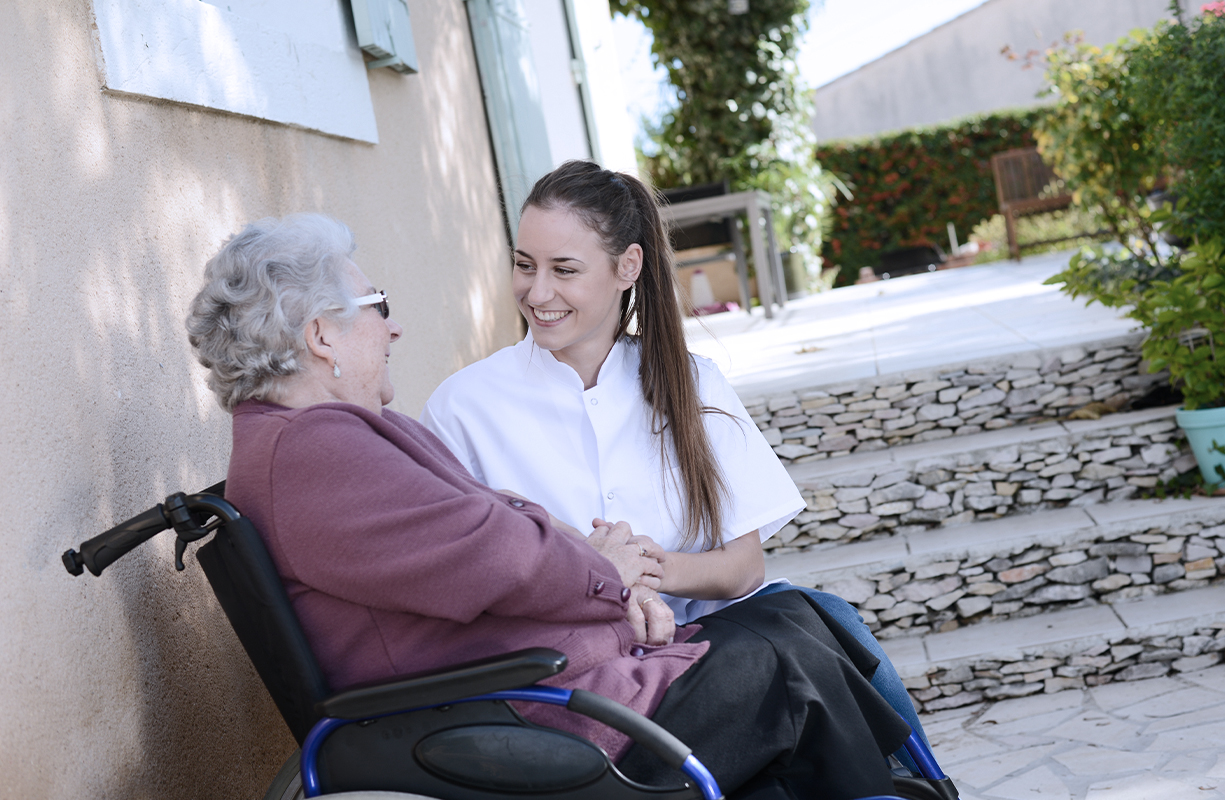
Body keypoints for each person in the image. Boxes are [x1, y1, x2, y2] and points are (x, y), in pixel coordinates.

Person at [184, 213, 913, 800]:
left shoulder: (324, 438)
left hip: (539, 687)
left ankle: (905, 786)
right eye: (378, 308)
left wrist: (612, 581)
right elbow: (495, 553)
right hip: (525, 714)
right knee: (790, 664)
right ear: (322, 336)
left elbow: (495, 520)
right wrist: (609, 575)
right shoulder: (316, 451)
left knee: (794, 619)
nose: (394, 327)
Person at [419, 159, 934, 758]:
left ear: (627, 267)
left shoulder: (692, 382)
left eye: (564, 270)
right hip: (579, 664)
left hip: (712, 637)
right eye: (523, 265)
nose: (537, 292)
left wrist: (641, 567)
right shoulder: (463, 408)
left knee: (831, 622)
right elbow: (467, 574)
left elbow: (743, 568)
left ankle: (924, 789)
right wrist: (598, 579)